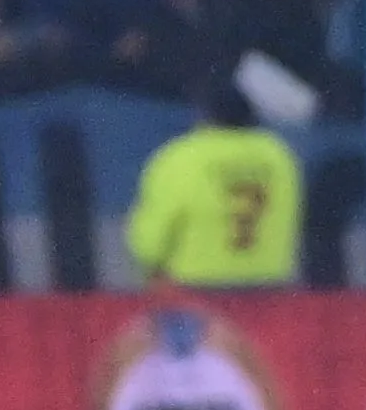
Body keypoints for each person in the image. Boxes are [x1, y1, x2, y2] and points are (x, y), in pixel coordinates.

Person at [125, 77, 302, 289]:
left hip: (198, 290)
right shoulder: (278, 156)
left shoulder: (183, 156)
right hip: (269, 289)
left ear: (204, 115)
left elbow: (151, 240)